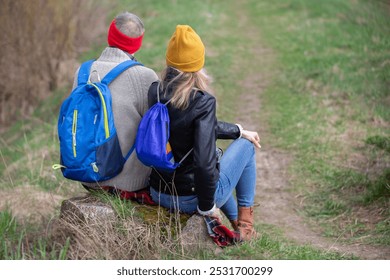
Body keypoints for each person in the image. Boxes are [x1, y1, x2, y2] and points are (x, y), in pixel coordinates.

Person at [148, 25, 261, 241]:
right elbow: (203, 164)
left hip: (158, 192)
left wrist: (238, 130)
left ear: (169, 60)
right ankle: (246, 227)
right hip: (189, 198)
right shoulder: (203, 102)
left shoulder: (155, 91)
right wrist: (207, 207)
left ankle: (237, 221)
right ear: (198, 64)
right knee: (245, 148)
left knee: (230, 151)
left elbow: (189, 125)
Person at [76, 12, 158, 195]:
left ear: (110, 35)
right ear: (137, 44)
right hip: (128, 182)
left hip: (85, 174)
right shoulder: (145, 76)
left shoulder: (83, 71)